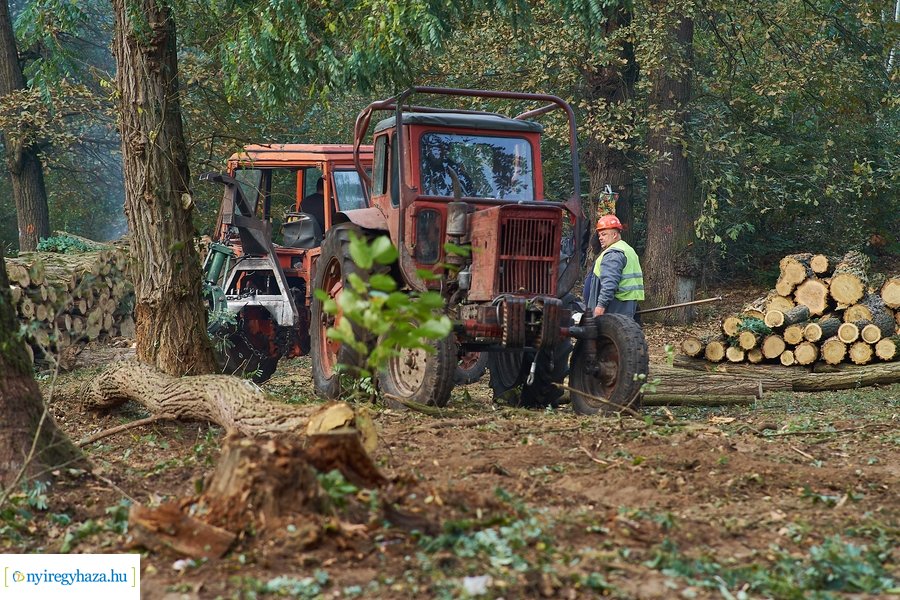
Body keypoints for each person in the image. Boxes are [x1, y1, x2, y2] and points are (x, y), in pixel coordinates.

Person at [585, 214, 644, 320]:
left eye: (604, 234)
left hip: (615, 306)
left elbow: (609, 283)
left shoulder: (613, 254)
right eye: (599, 235)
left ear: (615, 235)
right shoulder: (627, 249)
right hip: (626, 303)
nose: (600, 238)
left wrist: (600, 306)